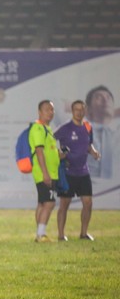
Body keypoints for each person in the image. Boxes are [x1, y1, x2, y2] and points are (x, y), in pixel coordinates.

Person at [54, 100, 100, 241]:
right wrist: (58, 154)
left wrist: (93, 152)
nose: (79, 112)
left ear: (85, 111)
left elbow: (88, 144)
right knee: (64, 204)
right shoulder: (65, 128)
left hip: (83, 172)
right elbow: (50, 142)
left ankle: (83, 233)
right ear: (72, 111)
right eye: (76, 109)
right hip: (68, 172)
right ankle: (61, 235)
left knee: (88, 203)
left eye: (81, 109)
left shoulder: (88, 127)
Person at [29, 99, 64, 243]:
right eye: (47, 109)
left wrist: (60, 155)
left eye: (52, 109)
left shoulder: (47, 129)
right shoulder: (38, 128)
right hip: (45, 173)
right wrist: (45, 173)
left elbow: (49, 151)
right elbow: (39, 151)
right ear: (39, 112)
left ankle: (39, 234)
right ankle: (41, 234)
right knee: (49, 203)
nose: (50, 112)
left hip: (50, 172)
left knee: (42, 203)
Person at [85, 85, 114, 179]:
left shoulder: (117, 133)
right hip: (89, 185)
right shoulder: (80, 131)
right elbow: (55, 103)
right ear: (88, 108)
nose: (105, 101)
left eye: (108, 98)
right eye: (99, 97)